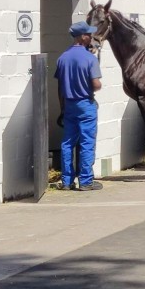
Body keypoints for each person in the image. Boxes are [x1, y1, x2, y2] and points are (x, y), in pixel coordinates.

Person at [54, 21, 104, 191]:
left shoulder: (62, 58)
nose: (91, 37)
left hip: (69, 105)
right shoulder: (90, 58)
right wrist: (92, 85)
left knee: (67, 142)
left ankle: (67, 181)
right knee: (87, 142)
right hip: (85, 103)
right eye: (89, 34)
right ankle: (86, 181)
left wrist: (62, 108)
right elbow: (96, 84)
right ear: (83, 37)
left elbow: (60, 87)